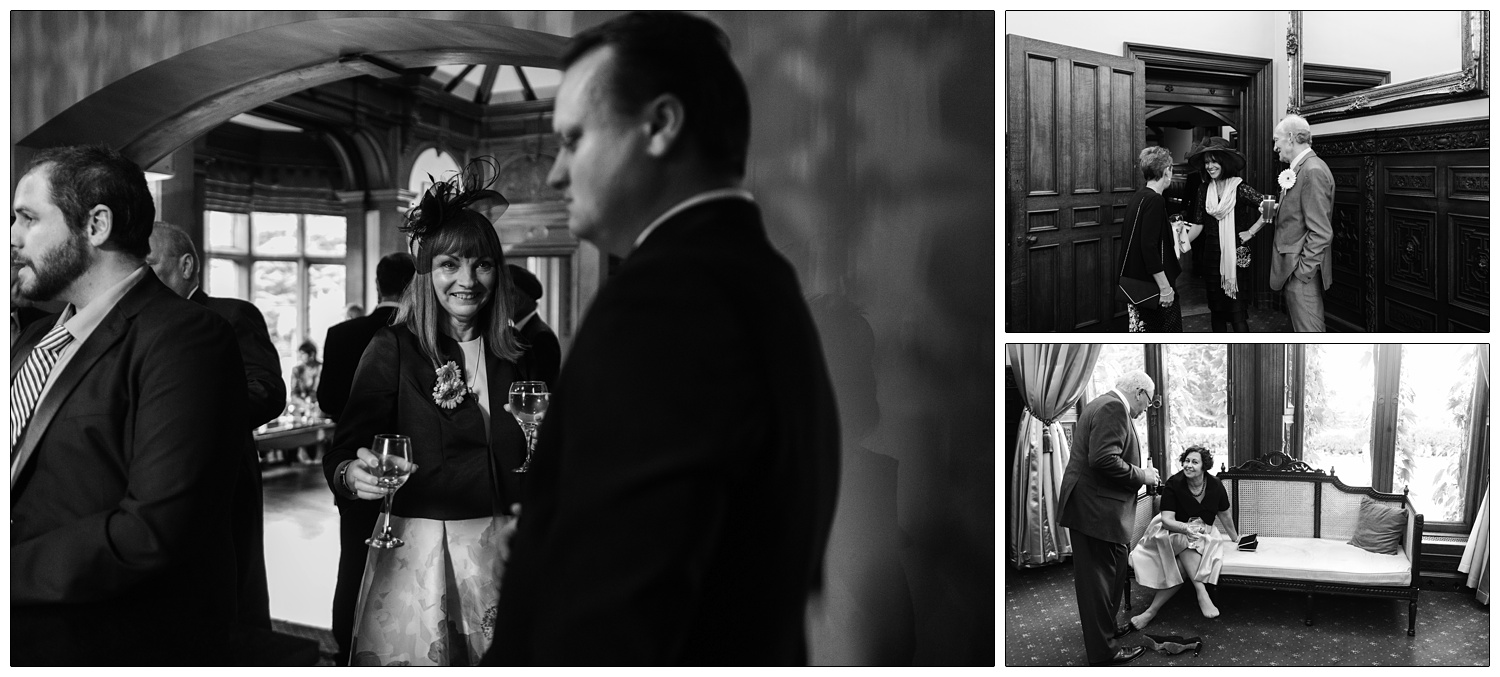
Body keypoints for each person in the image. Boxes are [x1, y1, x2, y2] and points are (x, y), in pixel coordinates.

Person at [484, 11, 840, 666]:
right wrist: (554, 545)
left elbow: (618, 619)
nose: (557, 172)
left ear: (660, 124)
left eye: (574, 137)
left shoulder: (668, 301)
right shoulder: (761, 278)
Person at [10, 145, 248, 665]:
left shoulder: (186, 338)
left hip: (103, 644)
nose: (13, 239)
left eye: (27, 218)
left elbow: (153, 529)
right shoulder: (33, 341)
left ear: (96, 224)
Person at [321, 159, 529, 666]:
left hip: (507, 551)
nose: (467, 280)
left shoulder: (520, 353)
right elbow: (344, 452)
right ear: (427, 274)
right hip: (421, 556)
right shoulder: (393, 348)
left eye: (481, 264)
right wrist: (354, 474)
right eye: (449, 265)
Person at [147, 219, 285, 634]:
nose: (140, 275)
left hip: (223, 482)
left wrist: (186, 411)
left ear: (186, 265)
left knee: (229, 601)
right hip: (157, 488)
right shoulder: (137, 324)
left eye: (150, 263)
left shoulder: (231, 315)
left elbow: (266, 392)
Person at [316, 251, 415, 666]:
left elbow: (326, 399)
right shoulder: (411, 333)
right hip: (407, 465)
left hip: (357, 459)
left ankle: (347, 649)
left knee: (353, 563)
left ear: (377, 285)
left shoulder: (342, 333)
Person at [1055, 370, 1161, 666]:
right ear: (1140, 392)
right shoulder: (1113, 408)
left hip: (1097, 511)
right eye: (1148, 403)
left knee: (1109, 580)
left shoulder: (1101, 404)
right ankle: (1105, 653)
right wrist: (1144, 475)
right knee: (1099, 586)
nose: (1144, 411)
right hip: (1096, 513)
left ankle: (1107, 632)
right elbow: (1103, 459)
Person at [1126, 445, 1239, 632]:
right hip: (1170, 531)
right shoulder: (1174, 484)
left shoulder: (1215, 485)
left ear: (1204, 467)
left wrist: (1235, 538)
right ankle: (1201, 592)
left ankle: (1150, 612)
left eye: (1195, 462)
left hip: (1203, 534)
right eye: (1186, 461)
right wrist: (1187, 528)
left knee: (1182, 567)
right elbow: (1168, 520)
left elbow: (1224, 514)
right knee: (1185, 541)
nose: (1188, 465)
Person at [1184, 138, 1268, 333]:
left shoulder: (1240, 188)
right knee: (1216, 310)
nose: (1210, 166)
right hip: (1212, 254)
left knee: (1237, 311)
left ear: (1224, 162)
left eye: (1214, 161)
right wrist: (1179, 246)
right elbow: (1197, 225)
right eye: (1207, 162)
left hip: (1237, 254)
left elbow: (1270, 206)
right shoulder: (1203, 189)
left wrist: (1251, 231)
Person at [1268, 114, 1334, 332]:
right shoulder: (1301, 168)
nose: (1275, 146)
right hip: (1293, 268)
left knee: (1310, 336)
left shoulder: (1312, 170)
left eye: (1276, 139)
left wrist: (1301, 274)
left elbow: (1322, 232)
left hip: (1302, 273)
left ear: (1290, 138)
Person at [1119, 146, 1187, 332]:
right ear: (1167, 171)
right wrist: (1165, 289)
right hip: (1153, 287)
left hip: (1136, 285)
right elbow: (1149, 247)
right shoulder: (1155, 200)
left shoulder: (1139, 197)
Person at [506, 263, 561, 387]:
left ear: (529, 296)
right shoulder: (516, 332)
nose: (505, 300)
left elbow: (542, 388)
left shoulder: (541, 336)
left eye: (512, 292)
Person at [290, 339, 322, 408]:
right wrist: (304, 404)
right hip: (301, 407)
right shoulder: (297, 370)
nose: (300, 356)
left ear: (312, 354)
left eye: (303, 354)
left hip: (319, 406)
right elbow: (294, 393)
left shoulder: (321, 368)